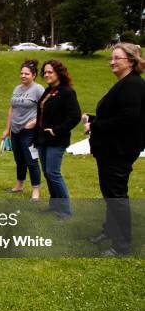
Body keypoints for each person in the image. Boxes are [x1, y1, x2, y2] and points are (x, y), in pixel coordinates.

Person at [83, 43, 145, 256]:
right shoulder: (125, 84)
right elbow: (117, 115)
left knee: (117, 196)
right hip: (109, 149)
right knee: (110, 194)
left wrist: (95, 125)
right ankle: (109, 231)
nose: (112, 61)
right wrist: (93, 119)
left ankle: (122, 245)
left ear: (130, 61)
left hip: (119, 151)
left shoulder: (134, 85)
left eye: (116, 58)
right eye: (112, 57)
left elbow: (128, 119)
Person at [35, 60, 81, 218]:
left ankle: (66, 210)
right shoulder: (48, 91)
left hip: (56, 140)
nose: (46, 75)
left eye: (50, 72)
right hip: (42, 140)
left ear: (58, 73)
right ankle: (54, 205)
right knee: (47, 173)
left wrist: (57, 130)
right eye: (45, 72)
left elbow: (74, 116)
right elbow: (41, 115)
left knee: (53, 173)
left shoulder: (67, 92)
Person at [1, 60, 45, 200]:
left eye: (27, 73)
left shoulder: (38, 89)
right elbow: (11, 109)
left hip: (29, 131)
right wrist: (7, 129)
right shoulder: (17, 89)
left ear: (34, 75)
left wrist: (35, 122)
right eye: (21, 73)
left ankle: (36, 190)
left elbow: (45, 109)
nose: (23, 76)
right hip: (15, 130)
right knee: (19, 159)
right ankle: (19, 185)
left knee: (31, 160)